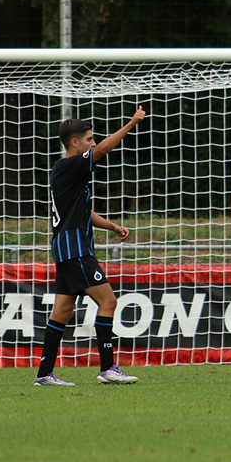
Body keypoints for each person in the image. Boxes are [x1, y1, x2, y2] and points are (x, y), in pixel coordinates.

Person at [33, 107, 146, 386]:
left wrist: (112, 226)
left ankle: (44, 373)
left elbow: (83, 212)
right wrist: (131, 122)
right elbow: (104, 149)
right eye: (89, 139)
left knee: (62, 311)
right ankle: (107, 368)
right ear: (74, 143)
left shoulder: (68, 173)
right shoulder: (69, 165)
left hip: (66, 249)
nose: (93, 143)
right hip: (76, 249)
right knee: (108, 301)